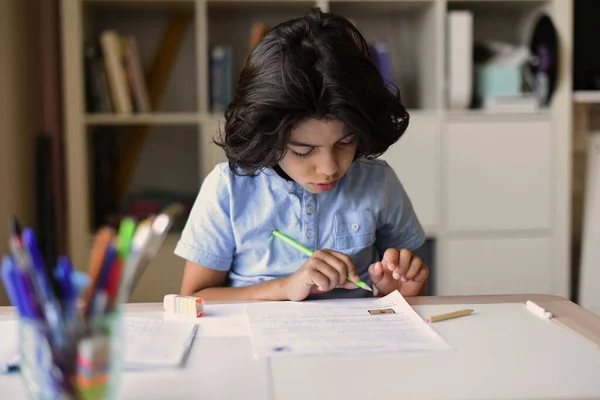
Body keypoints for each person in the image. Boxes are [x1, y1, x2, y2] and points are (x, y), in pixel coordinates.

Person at [174, 7, 428, 302]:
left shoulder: (378, 182)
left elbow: (398, 288)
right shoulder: (228, 189)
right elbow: (192, 298)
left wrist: (397, 289)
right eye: (304, 150)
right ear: (267, 136)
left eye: (346, 142)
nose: (329, 168)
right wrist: (286, 287)